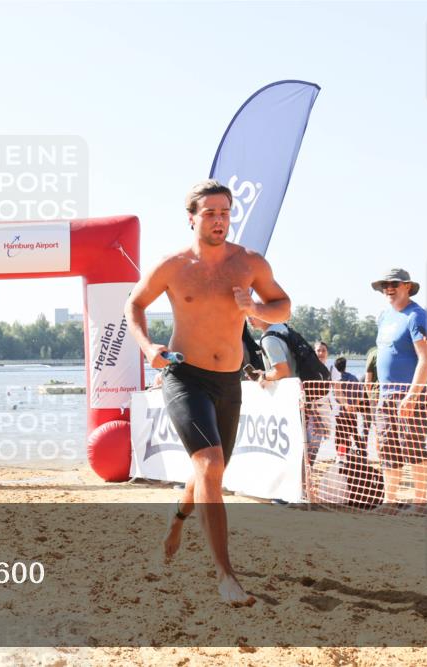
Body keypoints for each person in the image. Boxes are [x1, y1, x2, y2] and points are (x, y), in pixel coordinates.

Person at [125, 179, 290, 606]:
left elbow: (283, 305)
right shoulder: (173, 265)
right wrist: (149, 348)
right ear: (192, 218)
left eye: (225, 212)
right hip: (185, 377)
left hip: (228, 381)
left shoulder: (249, 262)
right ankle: (226, 576)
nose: (219, 220)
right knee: (211, 463)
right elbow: (135, 303)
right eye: (210, 213)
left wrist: (254, 309)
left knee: (209, 472)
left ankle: (177, 520)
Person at [372, 269, 427, 510]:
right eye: (384, 285)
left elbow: (426, 359)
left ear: (407, 286)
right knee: (387, 446)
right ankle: (390, 501)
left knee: (412, 446)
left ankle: (419, 503)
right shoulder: (383, 316)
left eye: (394, 284)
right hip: (386, 394)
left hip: (413, 394)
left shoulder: (416, 316)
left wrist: (412, 395)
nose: (388, 288)